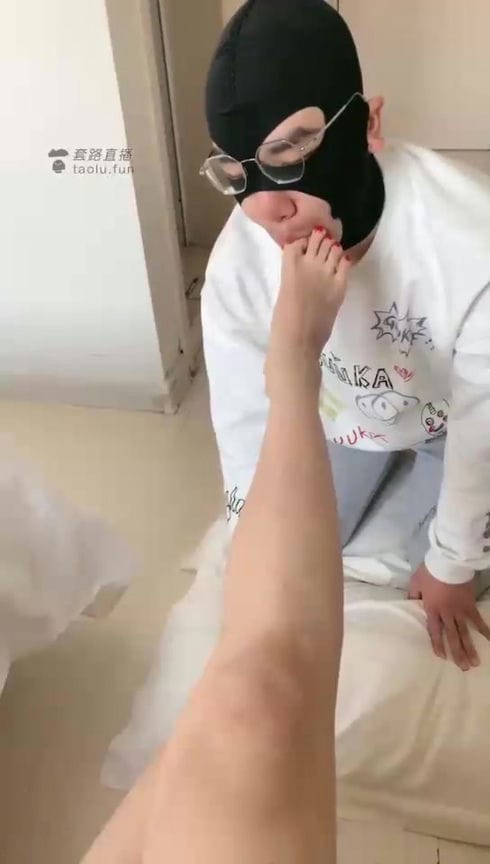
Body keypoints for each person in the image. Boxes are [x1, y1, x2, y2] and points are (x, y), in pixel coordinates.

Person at [201, 0, 490, 671]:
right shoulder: (241, 261)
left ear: (369, 125)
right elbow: (242, 428)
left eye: (290, 152)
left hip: (452, 420)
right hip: (341, 417)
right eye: (236, 173)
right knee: (289, 557)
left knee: (445, 576)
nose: (266, 208)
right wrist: (255, 545)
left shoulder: (469, 246)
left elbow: (484, 427)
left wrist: (451, 563)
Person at [83, 233, 348, 862]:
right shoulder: (237, 266)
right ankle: (293, 376)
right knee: (254, 704)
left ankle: (291, 377)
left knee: (229, 722)